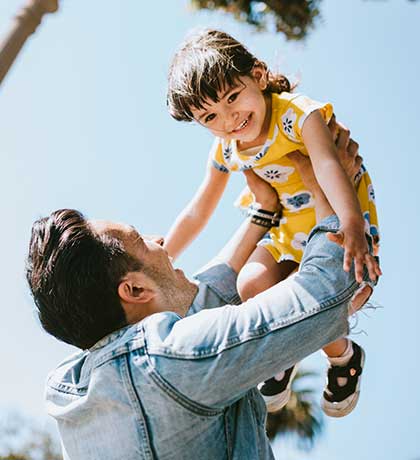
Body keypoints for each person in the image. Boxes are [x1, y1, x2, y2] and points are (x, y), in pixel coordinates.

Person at [27, 143, 378, 460]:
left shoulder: (70, 388)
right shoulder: (169, 364)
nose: (159, 239)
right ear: (134, 291)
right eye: (140, 239)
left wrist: (264, 214)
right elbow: (324, 292)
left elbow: (203, 301)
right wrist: (326, 186)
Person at [165, 28, 381, 416]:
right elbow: (198, 211)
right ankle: (283, 355)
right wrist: (164, 259)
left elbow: (329, 165)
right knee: (250, 282)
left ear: (259, 76)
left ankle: (344, 357)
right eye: (210, 115)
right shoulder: (226, 150)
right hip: (286, 228)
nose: (230, 119)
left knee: (317, 298)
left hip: (331, 210)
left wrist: (350, 222)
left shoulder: (297, 114)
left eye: (233, 97)